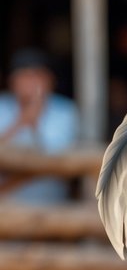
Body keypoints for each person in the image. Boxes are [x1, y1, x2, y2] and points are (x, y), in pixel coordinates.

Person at [0, 48, 79, 205]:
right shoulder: (1, 106)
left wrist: (35, 121)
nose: (31, 81)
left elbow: (62, 159)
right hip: (6, 206)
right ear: (12, 81)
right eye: (25, 75)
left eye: (37, 75)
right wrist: (21, 122)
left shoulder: (66, 111)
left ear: (50, 80)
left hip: (50, 205)